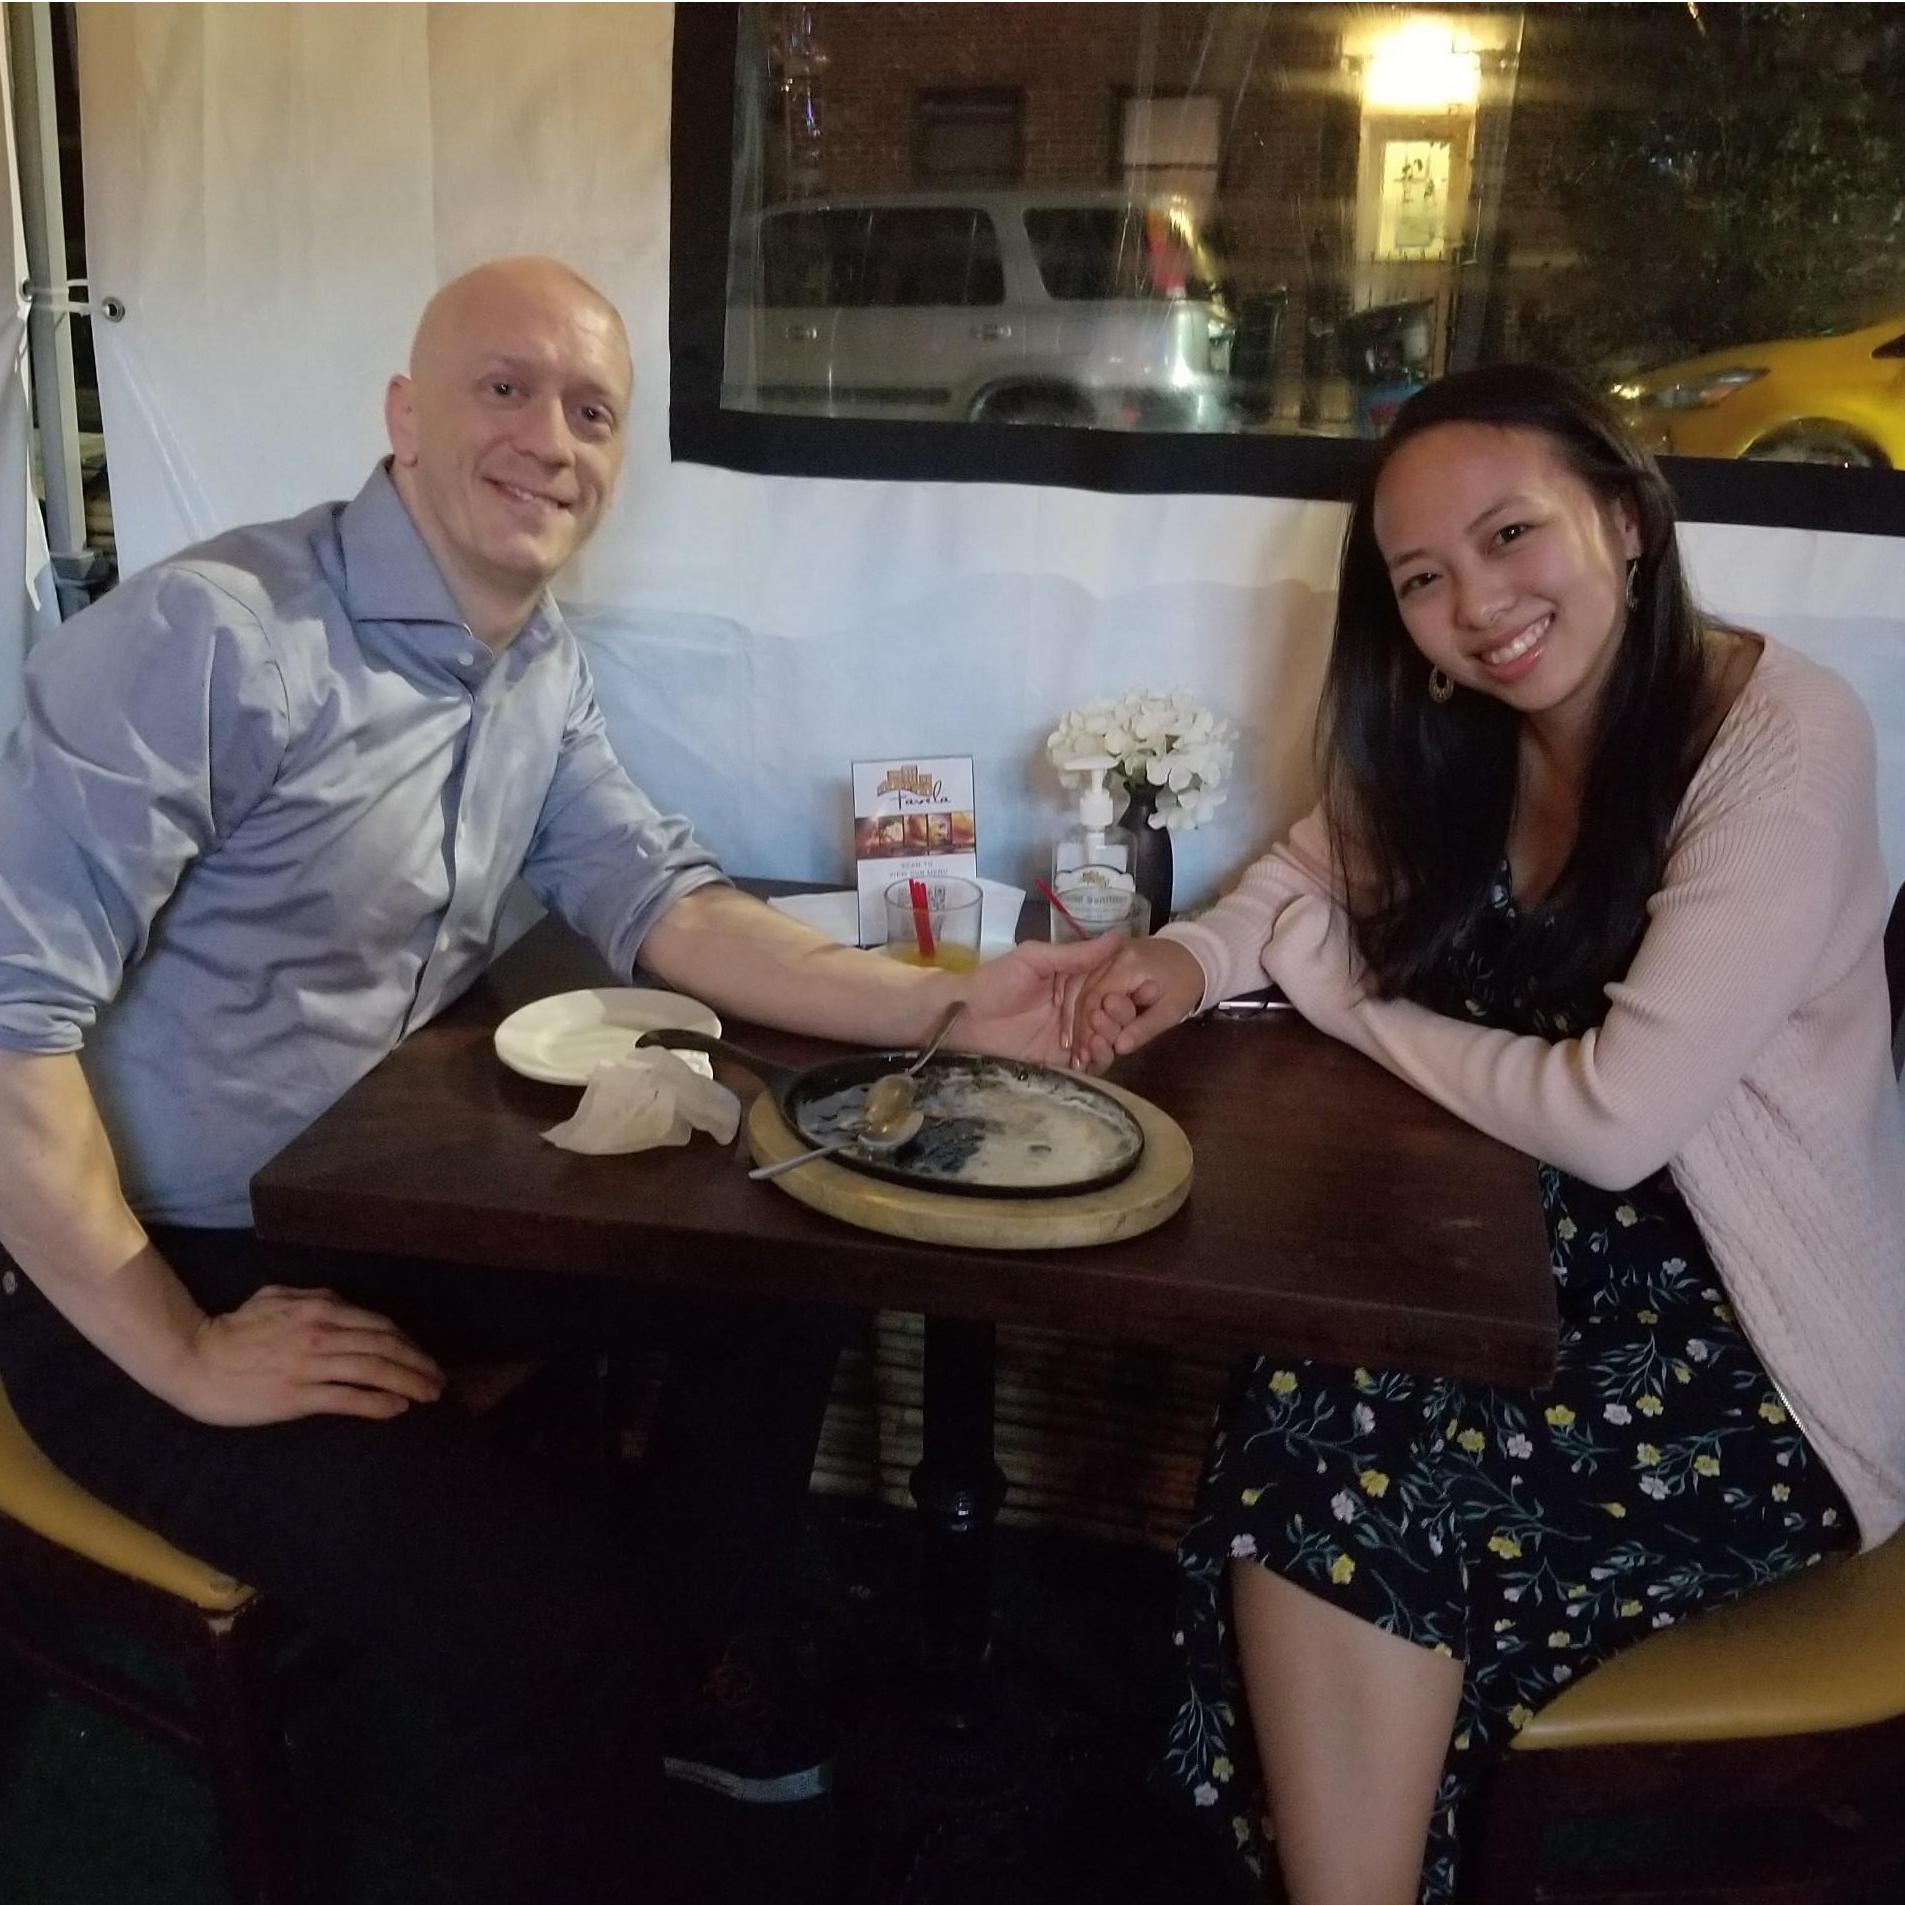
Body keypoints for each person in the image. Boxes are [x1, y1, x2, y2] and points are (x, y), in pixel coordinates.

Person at [0, 256, 1118, 1903]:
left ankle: (688, 1690)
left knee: (789, 1261)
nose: (550, 437)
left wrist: (950, 1013)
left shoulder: (534, 666)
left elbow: (662, 900)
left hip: (363, 1212)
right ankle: (605, 1687)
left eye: (590, 409)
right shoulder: (214, 635)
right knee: (547, 1627)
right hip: (139, 1269)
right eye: (503, 387)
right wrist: (188, 1350)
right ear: (402, 414)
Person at [1071, 363, 1905, 1905]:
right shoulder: (1474, 732)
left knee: (1342, 1459)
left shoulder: (1781, 736)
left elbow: (1611, 1118)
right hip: (1519, 1278)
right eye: (1424, 578)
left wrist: (1351, 1010)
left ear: (1625, 515)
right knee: (1315, 1374)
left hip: (1751, 1368)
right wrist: (1180, 962)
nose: (1479, 601)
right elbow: (1302, 878)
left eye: (1512, 532)